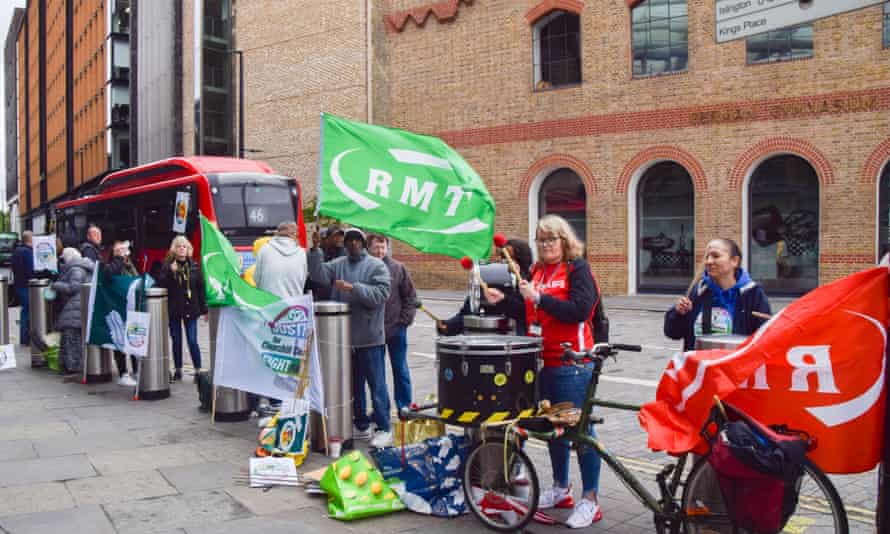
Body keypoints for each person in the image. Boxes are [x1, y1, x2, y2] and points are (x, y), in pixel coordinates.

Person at [486, 215, 604, 528]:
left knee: (580, 432)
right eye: (541, 240)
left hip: (572, 364)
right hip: (542, 361)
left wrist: (540, 297)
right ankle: (561, 489)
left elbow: (580, 309)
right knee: (554, 428)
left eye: (552, 238)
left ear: (565, 241)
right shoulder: (538, 270)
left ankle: (590, 499)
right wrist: (504, 301)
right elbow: (530, 310)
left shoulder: (577, 268)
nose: (546, 244)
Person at [308, 228, 392, 447]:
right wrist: (315, 250)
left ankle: (384, 427)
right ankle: (361, 424)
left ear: (363, 243)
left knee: (377, 386)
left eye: (357, 240)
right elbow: (318, 275)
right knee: (353, 386)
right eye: (349, 241)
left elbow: (381, 295)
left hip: (370, 338)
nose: (353, 244)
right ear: (345, 244)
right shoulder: (339, 264)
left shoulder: (376, 265)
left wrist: (353, 288)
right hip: (345, 338)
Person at [664, 238, 771, 352]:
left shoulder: (753, 293)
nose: (709, 261)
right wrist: (678, 313)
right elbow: (673, 333)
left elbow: (765, 339)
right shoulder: (698, 291)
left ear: (734, 261)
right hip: (702, 365)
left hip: (735, 365)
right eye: (707, 257)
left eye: (715, 256)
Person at [438, 238, 533, 336]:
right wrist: (447, 327)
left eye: (508, 258)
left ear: (521, 260)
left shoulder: (531, 282)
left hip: (518, 341)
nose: (503, 261)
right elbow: (468, 312)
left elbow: (523, 312)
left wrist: (517, 280)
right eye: (502, 256)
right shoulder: (491, 281)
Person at [367, 234, 416, 413]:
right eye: (376, 248)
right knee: (376, 375)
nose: (379, 251)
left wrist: (404, 321)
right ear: (368, 249)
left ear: (387, 248)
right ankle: (381, 410)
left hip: (396, 329)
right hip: (373, 331)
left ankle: (404, 406)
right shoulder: (364, 269)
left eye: (382, 247)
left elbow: (410, 296)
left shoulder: (397, 268)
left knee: (400, 369)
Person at [157, 236, 208, 382]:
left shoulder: (194, 266)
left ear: (188, 249)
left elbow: (200, 289)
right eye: (179, 246)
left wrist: (205, 310)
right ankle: (178, 369)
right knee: (176, 340)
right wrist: (172, 273)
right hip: (174, 308)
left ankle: (198, 370)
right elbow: (161, 284)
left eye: (184, 246)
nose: (181, 249)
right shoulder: (168, 266)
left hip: (191, 308)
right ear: (174, 249)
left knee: (192, 340)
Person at [51, 248, 93, 377]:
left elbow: (73, 288)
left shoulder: (76, 269)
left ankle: (73, 365)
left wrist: (56, 285)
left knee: (71, 335)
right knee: (72, 335)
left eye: (63, 259)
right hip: (79, 305)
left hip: (75, 306)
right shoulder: (81, 266)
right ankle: (69, 364)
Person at [105, 239, 139, 386]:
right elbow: (109, 274)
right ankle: (123, 372)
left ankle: (137, 370)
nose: (121, 253)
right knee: (119, 341)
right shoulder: (110, 266)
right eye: (117, 251)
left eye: (122, 250)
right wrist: (119, 258)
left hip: (131, 307)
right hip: (117, 308)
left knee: (135, 338)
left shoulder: (130, 265)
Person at [254, 221, 307, 298]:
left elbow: (256, 278)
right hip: (293, 305)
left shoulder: (264, 249)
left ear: (278, 233)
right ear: (294, 234)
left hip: (269, 304)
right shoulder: (301, 253)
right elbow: (302, 280)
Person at [11, 231, 34, 345]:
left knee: (24, 311)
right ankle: (25, 339)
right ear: (30, 240)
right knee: (28, 312)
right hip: (26, 285)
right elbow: (31, 271)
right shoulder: (28, 252)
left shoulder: (16, 251)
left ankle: (23, 338)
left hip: (18, 285)